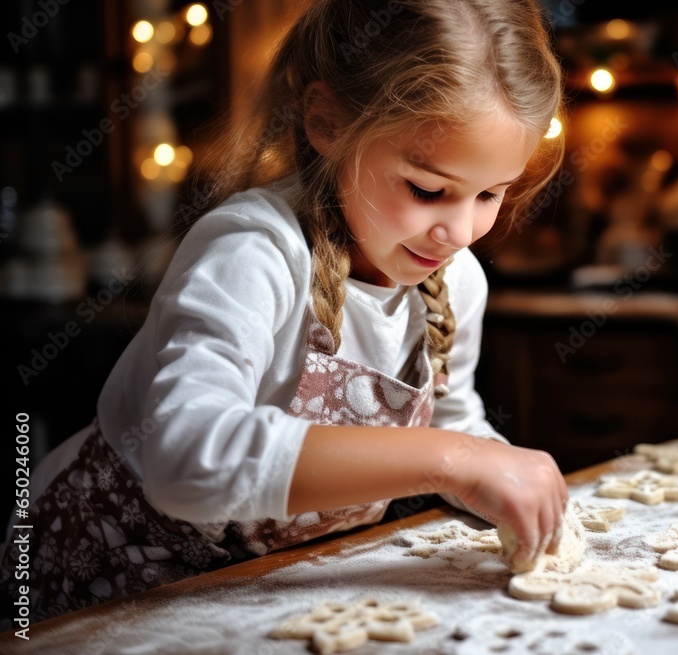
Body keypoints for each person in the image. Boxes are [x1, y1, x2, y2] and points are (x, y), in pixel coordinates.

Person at [1, 0, 567, 623]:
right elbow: (187, 458)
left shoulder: (456, 282)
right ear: (326, 121)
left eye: (490, 193)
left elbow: (455, 419)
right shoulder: (251, 254)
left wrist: (509, 482)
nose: (460, 231)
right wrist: (455, 461)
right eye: (428, 189)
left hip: (261, 590)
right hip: (102, 589)